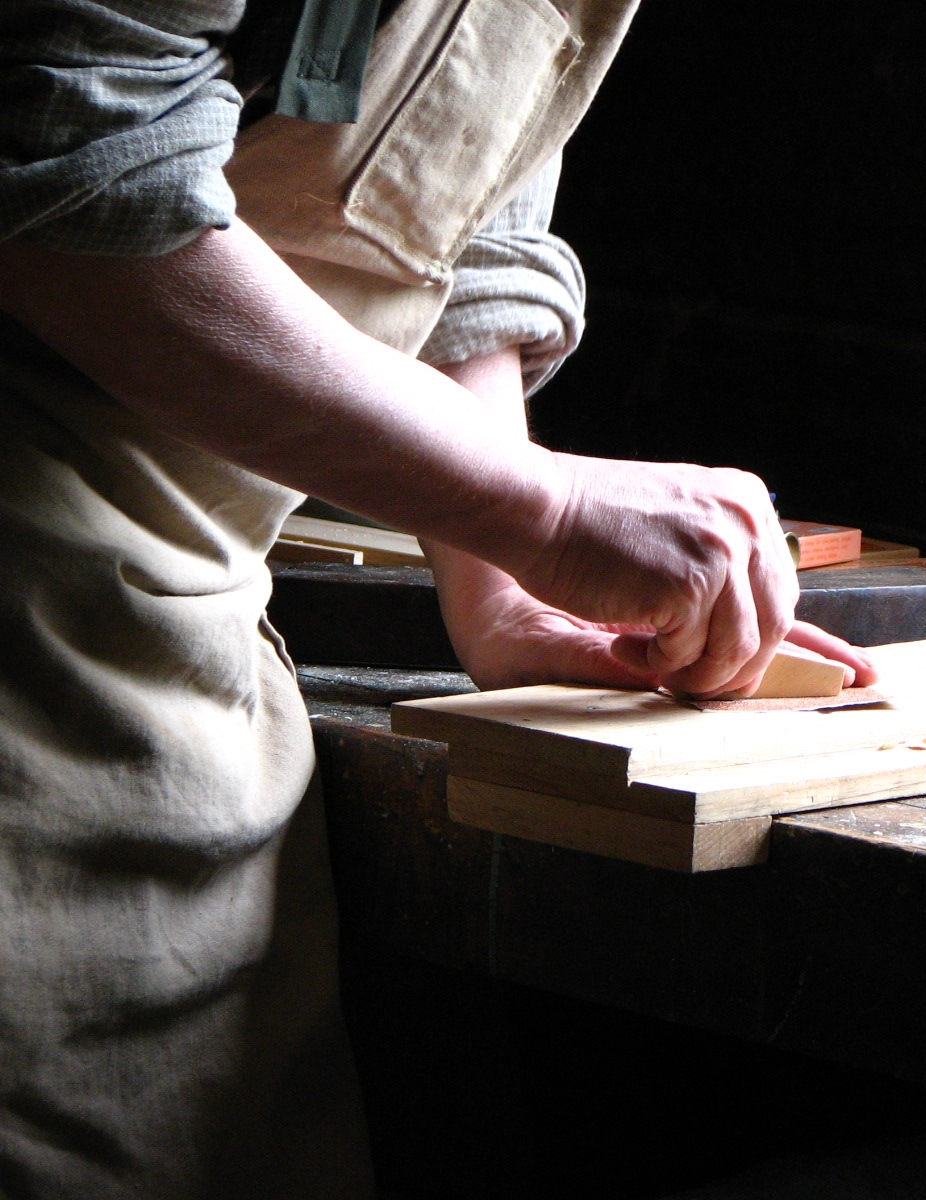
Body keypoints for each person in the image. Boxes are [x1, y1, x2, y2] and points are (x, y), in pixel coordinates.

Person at [0, 0, 874, 1193]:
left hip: (176, 632)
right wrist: (541, 510)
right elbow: (73, 180)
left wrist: (500, 576)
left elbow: (460, 191)